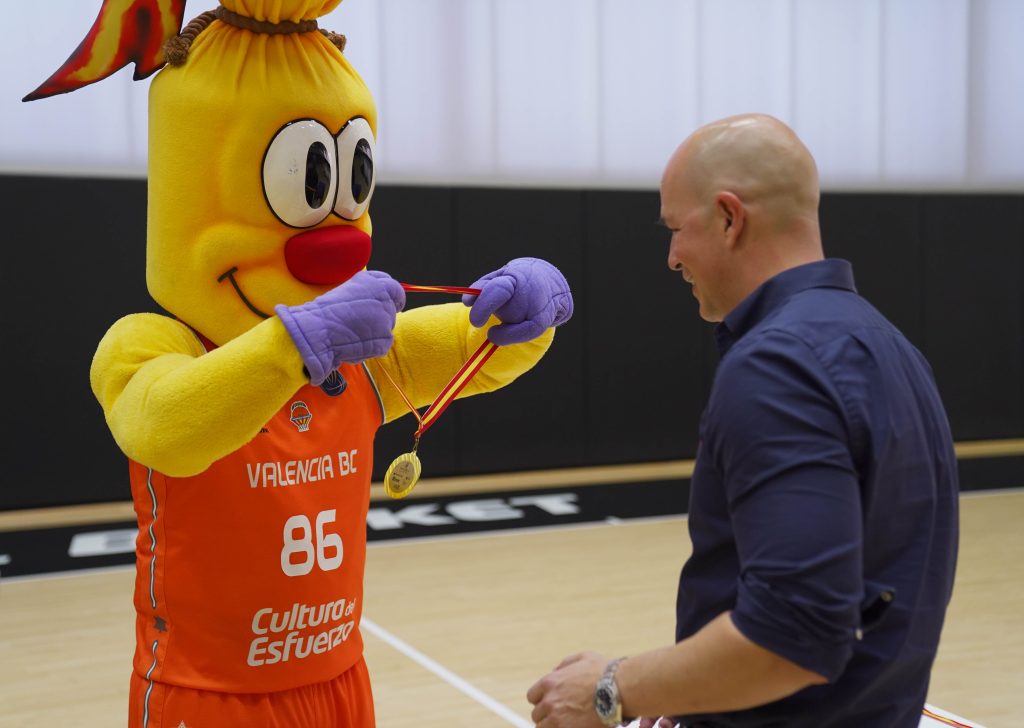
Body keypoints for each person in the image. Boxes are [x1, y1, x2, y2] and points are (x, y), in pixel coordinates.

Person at [527, 114, 959, 727]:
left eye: (676, 228)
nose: (672, 257)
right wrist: (684, 690)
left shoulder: (777, 366)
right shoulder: (895, 350)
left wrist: (614, 688)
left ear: (730, 218)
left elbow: (795, 633)